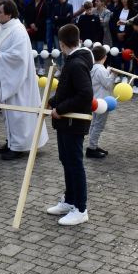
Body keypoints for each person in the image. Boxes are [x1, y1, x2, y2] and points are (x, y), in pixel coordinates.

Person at [0, 0, 50, 160]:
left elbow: (19, 57)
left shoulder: (18, 30)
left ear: (9, 14)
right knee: (8, 114)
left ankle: (19, 146)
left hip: (18, 83)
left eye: (0, 12)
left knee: (18, 114)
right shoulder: (2, 28)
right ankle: (11, 141)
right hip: (6, 79)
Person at [45, 23, 93, 226]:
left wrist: (60, 109)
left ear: (62, 44)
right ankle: (70, 199)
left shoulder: (76, 64)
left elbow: (85, 94)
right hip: (66, 121)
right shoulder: (73, 61)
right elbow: (67, 90)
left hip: (74, 120)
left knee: (74, 163)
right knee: (66, 159)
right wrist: (53, 102)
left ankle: (80, 208)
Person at [86, 46, 114, 159]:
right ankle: (92, 148)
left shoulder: (92, 68)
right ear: (105, 57)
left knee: (94, 124)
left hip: (95, 100)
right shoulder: (101, 69)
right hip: (102, 102)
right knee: (99, 125)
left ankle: (93, 145)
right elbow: (107, 84)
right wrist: (113, 75)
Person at [23, 0, 48, 75]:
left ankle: (42, 66)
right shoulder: (29, 5)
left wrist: (36, 25)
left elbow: (44, 18)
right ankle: (34, 66)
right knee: (33, 49)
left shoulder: (44, 5)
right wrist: (31, 24)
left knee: (40, 49)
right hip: (31, 30)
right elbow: (26, 16)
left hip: (40, 30)